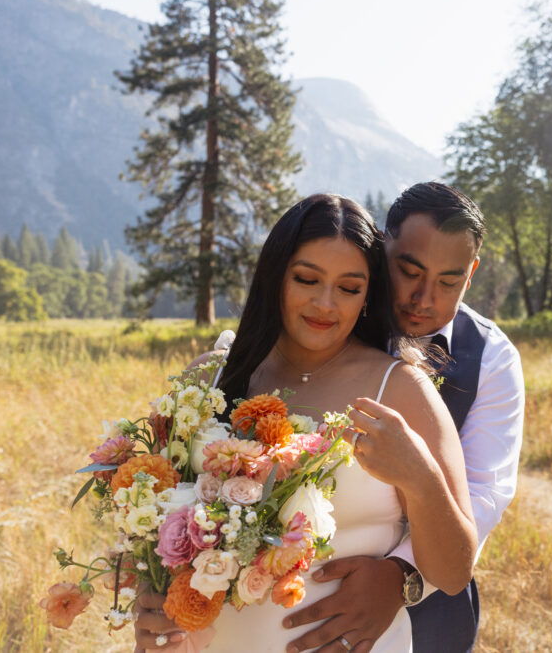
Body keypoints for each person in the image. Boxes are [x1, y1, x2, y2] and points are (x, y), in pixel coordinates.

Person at [133, 194, 477, 652]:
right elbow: (146, 533)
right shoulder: (207, 379)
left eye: (350, 288)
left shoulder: (400, 390)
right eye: (307, 279)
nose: (325, 303)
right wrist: (149, 610)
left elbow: (453, 573)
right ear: (275, 276)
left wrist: (421, 477)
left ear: (367, 296)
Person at [282, 182, 525, 653]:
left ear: (471, 275)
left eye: (449, 282)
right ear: (380, 247)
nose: (423, 297)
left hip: (431, 605)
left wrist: (400, 579)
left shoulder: (491, 359)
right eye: (408, 271)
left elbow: (483, 494)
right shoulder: (330, 315)